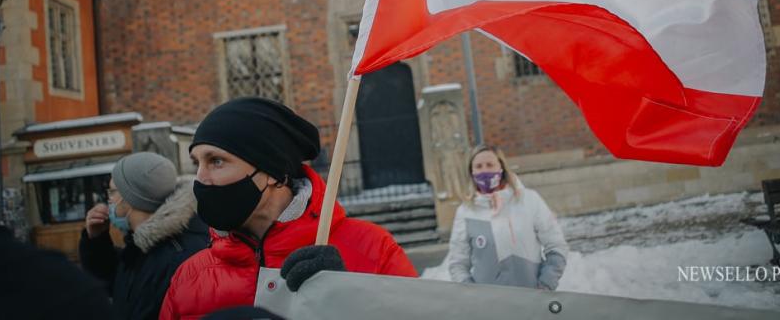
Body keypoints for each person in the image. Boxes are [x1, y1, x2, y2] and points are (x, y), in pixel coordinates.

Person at [159, 97, 417, 319]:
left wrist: (349, 302)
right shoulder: (189, 277)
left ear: (272, 172)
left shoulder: (372, 248)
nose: (201, 178)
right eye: (197, 164)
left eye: (216, 161)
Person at [80, 151, 209, 320]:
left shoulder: (178, 258)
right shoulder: (143, 247)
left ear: (131, 198)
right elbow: (116, 283)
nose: (108, 200)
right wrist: (97, 240)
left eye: (112, 192)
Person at [448, 144, 568, 290]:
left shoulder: (529, 200)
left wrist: (546, 283)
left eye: (490, 164)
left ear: (501, 168)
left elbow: (556, 245)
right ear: (471, 172)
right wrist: (472, 293)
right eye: (478, 166)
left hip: (532, 299)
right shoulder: (465, 211)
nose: (484, 170)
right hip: (489, 305)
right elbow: (458, 262)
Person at [0, 195, 116, 320]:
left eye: (113, 192)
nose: (108, 204)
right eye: (109, 194)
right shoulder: (66, 283)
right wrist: (96, 241)